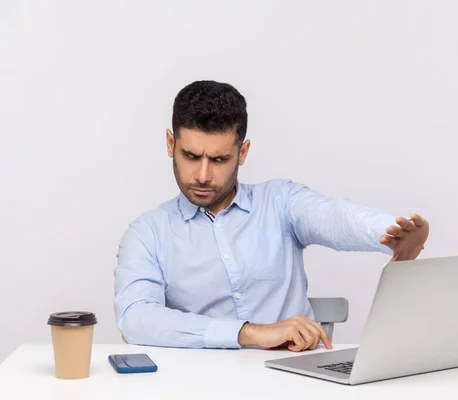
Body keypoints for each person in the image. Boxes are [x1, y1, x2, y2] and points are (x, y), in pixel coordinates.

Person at [114, 80, 429, 352]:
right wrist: (250, 333)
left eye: (221, 159)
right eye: (192, 156)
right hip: (201, 385)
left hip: (296, 381)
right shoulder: (147, 233)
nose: (203, 175)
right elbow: (136, 318)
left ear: (243, 152)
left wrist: (391, 231)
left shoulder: (280, 202)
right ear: (171, 143)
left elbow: (331, 216)